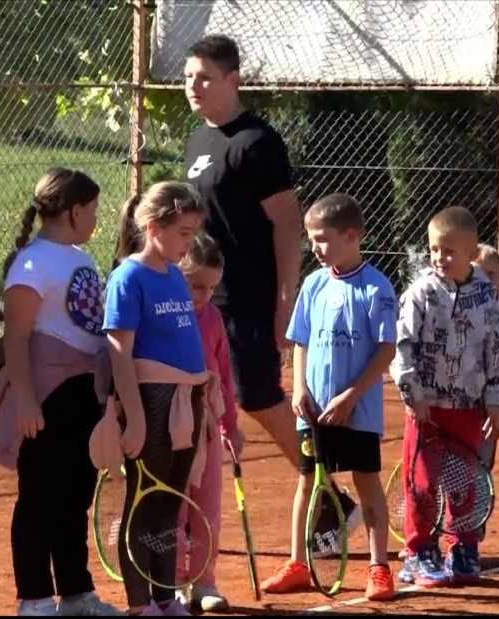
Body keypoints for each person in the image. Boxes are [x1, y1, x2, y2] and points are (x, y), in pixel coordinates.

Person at [181, 33, 362, 546]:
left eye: (205, 77)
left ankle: (333, 499)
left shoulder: (257, 143)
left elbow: (287, 226)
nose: (193, 86)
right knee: (195, 400)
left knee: (258, 397)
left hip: (249, 297)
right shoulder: (198, 141)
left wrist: (287, 300)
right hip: (201, 297)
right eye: (189, 77)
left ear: (232, 80)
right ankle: (185, 520)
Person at [0, 168, 124, 616]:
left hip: (83, 392)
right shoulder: (33, 263)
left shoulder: (77, 256)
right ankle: (35, 599)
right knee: (40, 497)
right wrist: (24, 398)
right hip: (47, 393)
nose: (96, 219)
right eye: (93, 211)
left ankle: (76, 593)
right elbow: (16, 336)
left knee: (75, 493)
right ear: (74, 211)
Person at [259, 194, 398, 601]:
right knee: (308, 486)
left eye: (322, 239)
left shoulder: (377, 288)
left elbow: (386, 350)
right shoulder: (315, 283)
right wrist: (300, 388)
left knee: (367, 485)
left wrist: (352, 397)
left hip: (358, 412)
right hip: (313, 411)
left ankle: (379, 568)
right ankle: (298, 563)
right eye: (311, 239)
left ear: (353, 236)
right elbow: (300, 340)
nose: (315, 248)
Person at [103, 181, 212, 617]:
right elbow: (119, 351)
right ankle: (139, 603)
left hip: (187, 401)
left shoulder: (174, 277)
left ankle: (165, 597)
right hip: (151, 401)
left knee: (171, 503)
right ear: (154, 227)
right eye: (184, 233)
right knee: (144, 503)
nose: (189, 243)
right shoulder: (128, 276)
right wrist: (134, 417)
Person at [390, 206, 499, 588]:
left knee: (464, 481)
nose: (440, 258)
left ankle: (462, 546)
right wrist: (413, 395)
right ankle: (418, 553)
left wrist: (495, 401)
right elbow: (402, 347)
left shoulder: (488, 296)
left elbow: (496, 350)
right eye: (435, 250)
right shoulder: (419, 293)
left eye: (449, 251)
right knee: (421, 482)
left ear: (473, 255)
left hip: (469, 407)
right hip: (426, 408)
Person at [173, 233, 243, 613]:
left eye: (211, 288)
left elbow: (226, 378)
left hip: (207, 425)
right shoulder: (165, 313)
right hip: (173, 424)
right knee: (176, 508)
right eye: (195, 285)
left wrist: (229, 425)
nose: (203, 295)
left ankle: (205, 581)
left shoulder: (214, 318)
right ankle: (175, 583)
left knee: (208, 507)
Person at [472, 243, 499, 489]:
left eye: (491, 275)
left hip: (486, 410)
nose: (485, 281)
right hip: (454, 407)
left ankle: (472, 527)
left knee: (480, 473)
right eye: (479, 274)